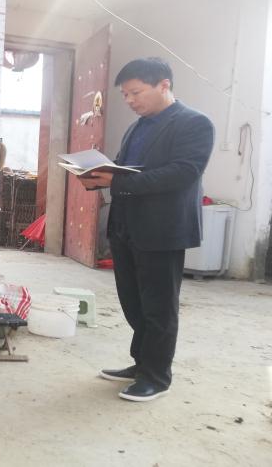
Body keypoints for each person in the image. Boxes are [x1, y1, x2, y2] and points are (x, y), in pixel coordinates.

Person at [78, 57, 214, 401]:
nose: (130, 100)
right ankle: (141, 363)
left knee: (159, 307)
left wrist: (116, 181)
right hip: (126, 226)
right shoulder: (137, 127)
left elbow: (182, 173)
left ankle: (157, 376)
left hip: (162, 230)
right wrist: (98, 176)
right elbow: (125, 169)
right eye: (125, 94)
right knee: (134, 302)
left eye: (135, 92)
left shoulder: (194, 123)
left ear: (164, 85)